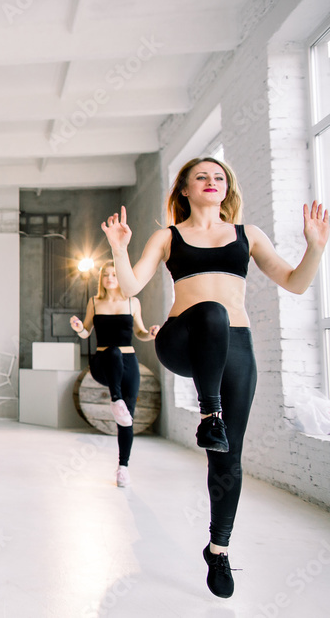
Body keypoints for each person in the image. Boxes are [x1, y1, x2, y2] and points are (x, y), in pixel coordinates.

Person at [101, 157, 327, 599]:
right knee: (211, 311)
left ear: (227, 188)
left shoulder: (248, 236)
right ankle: (210, 412)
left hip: (234, 348)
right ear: (184, 189)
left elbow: (295, 283)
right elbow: (129, 287)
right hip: (181, 340)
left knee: (228, 459)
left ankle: (218, 550)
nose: (211, 182)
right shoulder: (169, 236)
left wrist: (316, 247)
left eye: (219, 177)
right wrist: (119, 249)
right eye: (201, 176)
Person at [69, 261, 159, 488]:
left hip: (129, 363)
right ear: (102, 279)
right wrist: (79, 326)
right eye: (106, 275)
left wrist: (151, 333)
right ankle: (115, 398)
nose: (110, 278)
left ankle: (123, 468)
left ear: (121, 278)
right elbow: (86, 332)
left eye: (114, 274)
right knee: (114, 352)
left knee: (126, 419)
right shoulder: (94, 302)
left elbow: (139, 332)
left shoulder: (132, 302)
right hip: (103, 362)